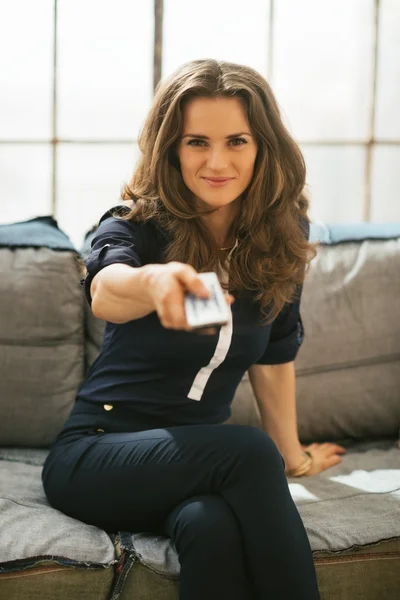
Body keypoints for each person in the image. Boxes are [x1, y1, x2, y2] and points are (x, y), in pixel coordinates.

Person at [41, 59, 344, 600]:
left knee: (209, 524)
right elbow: (107, 289)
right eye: (196, 142)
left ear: (264, 147)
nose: (217, 161)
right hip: (96, 455)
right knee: (251, 452)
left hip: (193, 470)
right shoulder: (133, 226)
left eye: (237, 141)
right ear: (171, 149)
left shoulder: (281, 239)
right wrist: (157, 284)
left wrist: (295, 457)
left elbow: (274, 355)